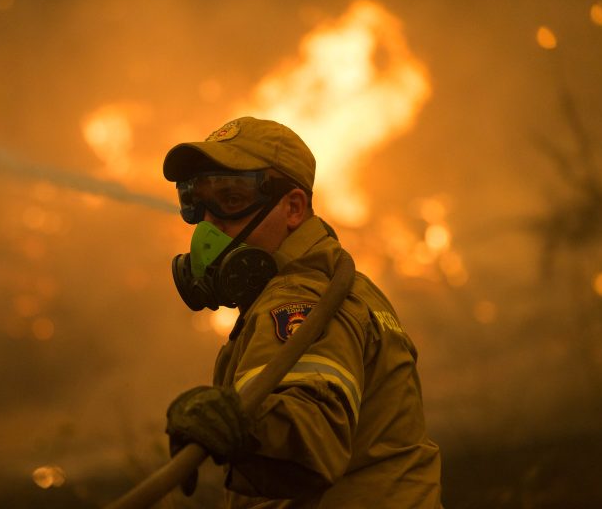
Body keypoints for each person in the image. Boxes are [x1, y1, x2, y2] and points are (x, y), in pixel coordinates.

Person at [162, 116, 442, 508]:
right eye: (197, 204)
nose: (209, 225)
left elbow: (312, 433)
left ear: (293, 208)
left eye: (230, 201)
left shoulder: (299, 298)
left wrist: (240, 423)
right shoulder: (339, 286)